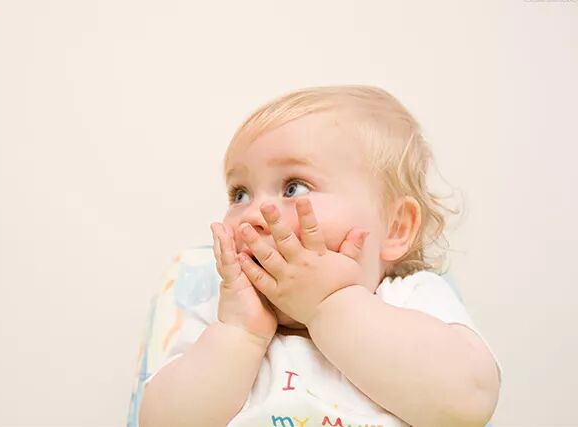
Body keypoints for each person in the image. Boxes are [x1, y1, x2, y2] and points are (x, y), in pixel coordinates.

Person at [137, 85, 502, 427]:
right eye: (240, 194)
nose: (252, 214)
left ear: (395, 228)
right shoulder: (221, 314)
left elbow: (470, 401)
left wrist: (330, 305)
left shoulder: (411, 298)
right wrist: (239, 334)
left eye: (294, 188)